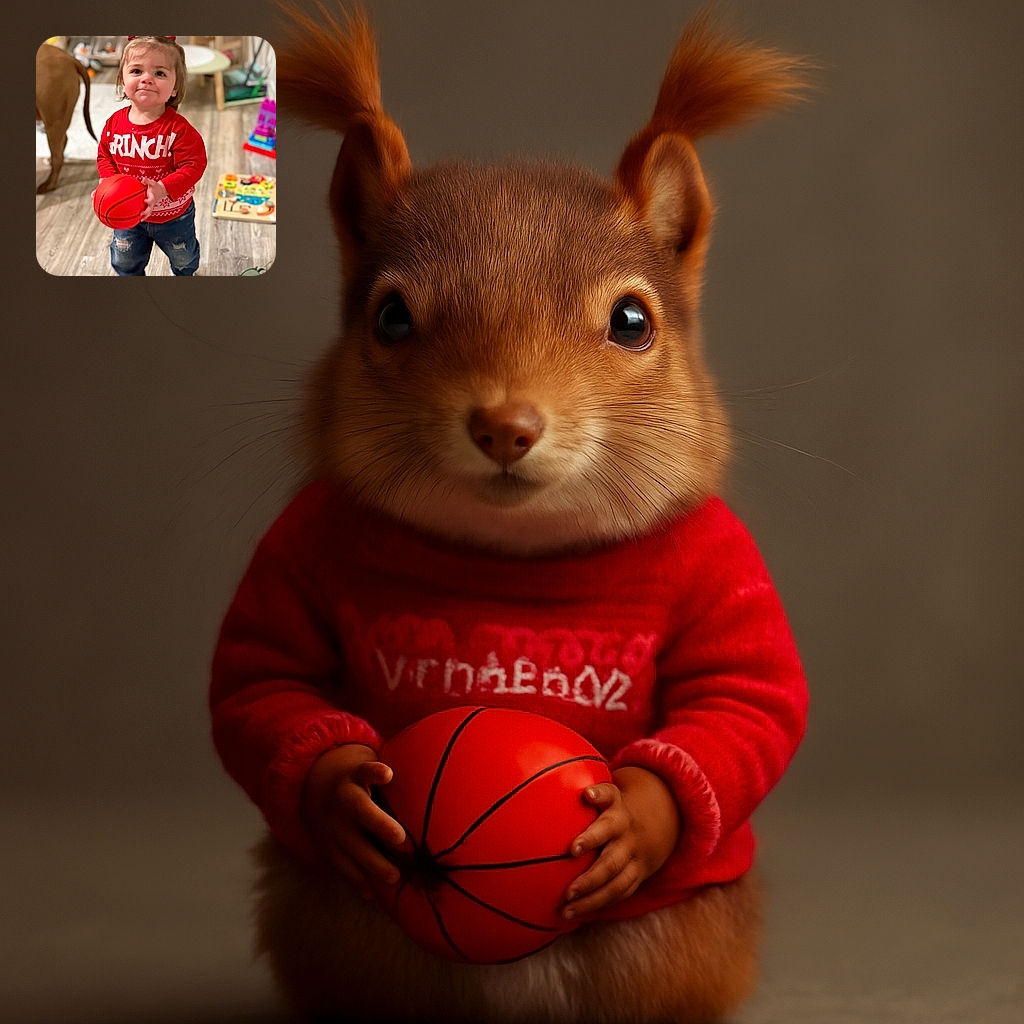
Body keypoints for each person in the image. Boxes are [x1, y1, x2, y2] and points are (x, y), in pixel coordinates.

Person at [96, 35, 207, 276]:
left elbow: (194, 165)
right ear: (122, 80)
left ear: (175, 87)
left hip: (173, 215)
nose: (147, 78)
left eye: (160, 73)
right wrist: (108, 182)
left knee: (183, 258)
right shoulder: (113, 124)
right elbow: (105, 156)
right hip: (127, 216)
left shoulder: (179, 129)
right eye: (136, 70)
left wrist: (163, 189)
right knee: (125, 262)